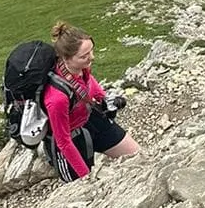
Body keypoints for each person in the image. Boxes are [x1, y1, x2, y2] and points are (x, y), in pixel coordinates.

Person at [43, 20, 140, 182]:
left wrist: (103, 97)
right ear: (66, 58)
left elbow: (88, 82)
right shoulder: (56, 98)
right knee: (83, 188)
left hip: (91, 118)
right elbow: (63, 141)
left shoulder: (81, 67)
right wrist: (86, 178)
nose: (91, 58)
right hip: (72, 139)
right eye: (84, 56)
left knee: (138, 155)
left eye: (91, 51)